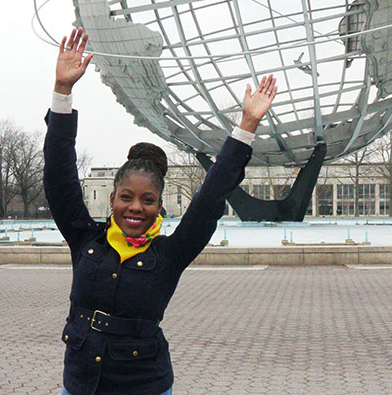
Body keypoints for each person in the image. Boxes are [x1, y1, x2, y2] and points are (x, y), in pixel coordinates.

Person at [44, 28, 277, 395]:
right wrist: (62, 91)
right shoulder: (85, 238)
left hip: (145, 386)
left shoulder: (169, 254)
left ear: (158, 206)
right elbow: (59, 175)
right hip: (81, 385)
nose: (135, 207)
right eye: (126, 197)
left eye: (147, 200)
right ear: (112, 199)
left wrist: (246, 127)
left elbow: (210, 199)